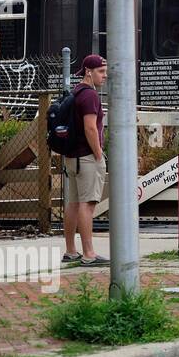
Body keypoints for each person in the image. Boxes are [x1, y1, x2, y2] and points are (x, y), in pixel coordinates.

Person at [62, 54, 109, 266]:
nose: (104, 76)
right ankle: (89, 253)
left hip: (72, 157)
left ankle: (71, 250)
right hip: (87, 157)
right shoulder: (90, 95)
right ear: (88, 71)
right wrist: (99, 154)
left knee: (73, 203)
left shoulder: (76, 91)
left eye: (105, 71)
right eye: (101, 71)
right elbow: (90, 127)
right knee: (87, 204)